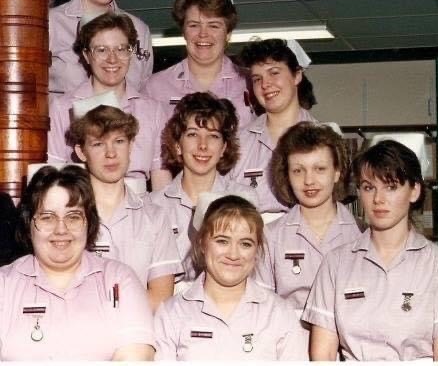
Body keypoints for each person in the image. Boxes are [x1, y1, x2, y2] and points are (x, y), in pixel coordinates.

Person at [302, 139, 438, 361]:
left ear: (414, 191)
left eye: (391, 187)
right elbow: (323, 354)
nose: (378, 199)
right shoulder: (336, 263)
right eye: (369, 187)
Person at [0, 165, 155, 360]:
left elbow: (136, 357)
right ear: (28, 223)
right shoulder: (4, 285)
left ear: (89, 222)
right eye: (47, 217)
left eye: (73, 217)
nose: (61, 229)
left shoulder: (119, 281)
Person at [255, 122, 362, 359]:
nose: (309, 180)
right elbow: (261, 310)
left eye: (320, 169)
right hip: (289, 349)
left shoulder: (362, 234)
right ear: (287, 175)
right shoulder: (271, 236)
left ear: (337, 172)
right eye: (298, 170)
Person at [154, 194, 303, 360]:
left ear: (256, 250)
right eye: (222, 241)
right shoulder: (171, 313)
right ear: (203, 243)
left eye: (245, 244)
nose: (233, 254)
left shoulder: (279, 313)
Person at [69, 105, 182, 310]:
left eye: (119, 141)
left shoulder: (155, 217)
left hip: (136, 334)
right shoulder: (66, 216)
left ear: (131, 146)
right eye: (98, 144)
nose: (110, 153)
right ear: (81, 151)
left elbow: (160, 298)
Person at [48, 12, 171, 191]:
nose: (112, 59)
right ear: (86, 55)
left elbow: (161, 181)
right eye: (101, 50)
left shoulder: (152, 110)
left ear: (131, 52)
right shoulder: (62, 108)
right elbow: (54, 179)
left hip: (140, 211)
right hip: (83, 206)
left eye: (121, 49)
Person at [149, 92, 256, 285]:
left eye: (213, 136)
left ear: (224, 147)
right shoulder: (153, 205)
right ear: (177, 145)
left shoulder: (244, 198)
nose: (203, 146)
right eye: (192, 134)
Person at [142, 0, 253, 127]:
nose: (203, 34)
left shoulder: (251, 83)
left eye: (214, 26)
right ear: (183, 31)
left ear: (228, 33)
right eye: (194, 25)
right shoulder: (155, 88)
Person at [229, 38, 317, 220]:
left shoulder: (324, 138)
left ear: (297, 75)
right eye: (257, 79)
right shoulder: (238, 142)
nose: (265, 84)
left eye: (274, 73)